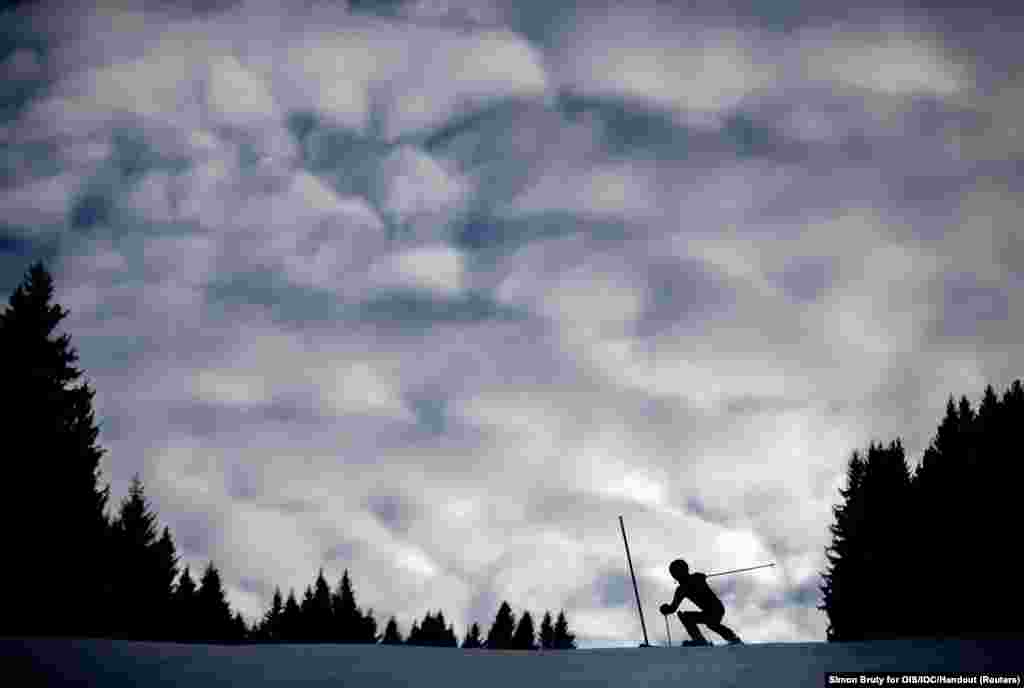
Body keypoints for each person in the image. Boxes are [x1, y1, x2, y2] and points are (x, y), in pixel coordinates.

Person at [659, 558, 742, 646]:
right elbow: (673, 608)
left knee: (690, 618)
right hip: (716, 609)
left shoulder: (684, 587)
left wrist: (666, 609)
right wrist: (667, 609)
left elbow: (672, 608)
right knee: (711, 624)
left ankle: (700, 640)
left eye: (675, 573)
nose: (675, 576)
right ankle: (732, 638)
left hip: (715, 610)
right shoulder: (690, 582)